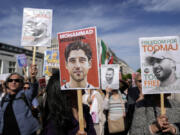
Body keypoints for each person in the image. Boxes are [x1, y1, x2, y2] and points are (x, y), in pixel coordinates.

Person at [0, 64, 40, 135]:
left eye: (17, 80)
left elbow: (33, 89)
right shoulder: (4, 99)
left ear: (21, 83)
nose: (13, 82)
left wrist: (32, 78)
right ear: (7, 83)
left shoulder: (25, 94)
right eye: (10, 80)